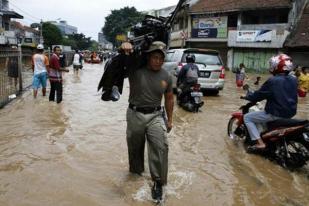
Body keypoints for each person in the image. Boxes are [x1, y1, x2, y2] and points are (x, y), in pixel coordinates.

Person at [121, 41, 174, 202]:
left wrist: (170, 120)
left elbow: (169, 98)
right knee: (135, 148)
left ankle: (158, 182)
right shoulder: (135, 70)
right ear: (148, 57)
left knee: (161, 146)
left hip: (156, 116)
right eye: (154, 57)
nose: (158, 61)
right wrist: (124, 47)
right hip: (135, 114)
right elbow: (119, 65)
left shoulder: (167, 76)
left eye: (161, 58)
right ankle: (136, 174)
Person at [243, 54, 297, 152]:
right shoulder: (294, 79)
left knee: (247, 117)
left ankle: (260, 143)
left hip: (276, 113)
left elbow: (259, 95)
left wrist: (248, 97)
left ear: (277, 66)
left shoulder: (273, 80)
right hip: (290, 112)